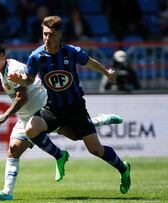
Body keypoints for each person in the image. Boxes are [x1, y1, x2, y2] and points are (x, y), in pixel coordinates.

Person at [8, 16, 131, 194]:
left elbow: (90, 63)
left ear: (59, 34)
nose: (47, 38)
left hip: (75, 108)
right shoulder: (36, 56)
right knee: (30, 129)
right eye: (44, 34)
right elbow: (28, 80)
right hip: (52, 108)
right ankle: (60, 155)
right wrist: (21, 80)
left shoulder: (71, 52)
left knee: (95, 150)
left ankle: (123, 168)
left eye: (51, 34)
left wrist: (107, 73)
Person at [0, 45, 124, 200]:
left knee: (77, 137)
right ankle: (7, 192)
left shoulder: (14, 69)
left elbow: (21, 97)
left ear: (4, 57)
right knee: (14, 151)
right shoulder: (1, 71)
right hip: (26, 117)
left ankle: (66, 149)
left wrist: (5, 115)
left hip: (43, 110)